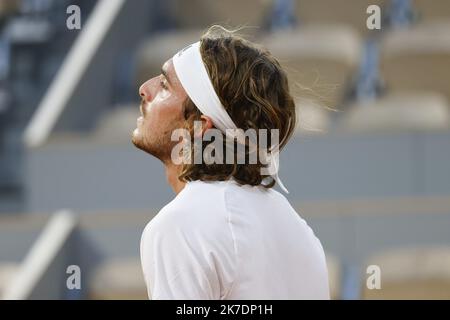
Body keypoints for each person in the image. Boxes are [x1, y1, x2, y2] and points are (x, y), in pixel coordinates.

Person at [132, 26, 330, 300]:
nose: (145, 89)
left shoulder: (181, 225)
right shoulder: (299, 229)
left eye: (165, 85)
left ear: (198, 126)